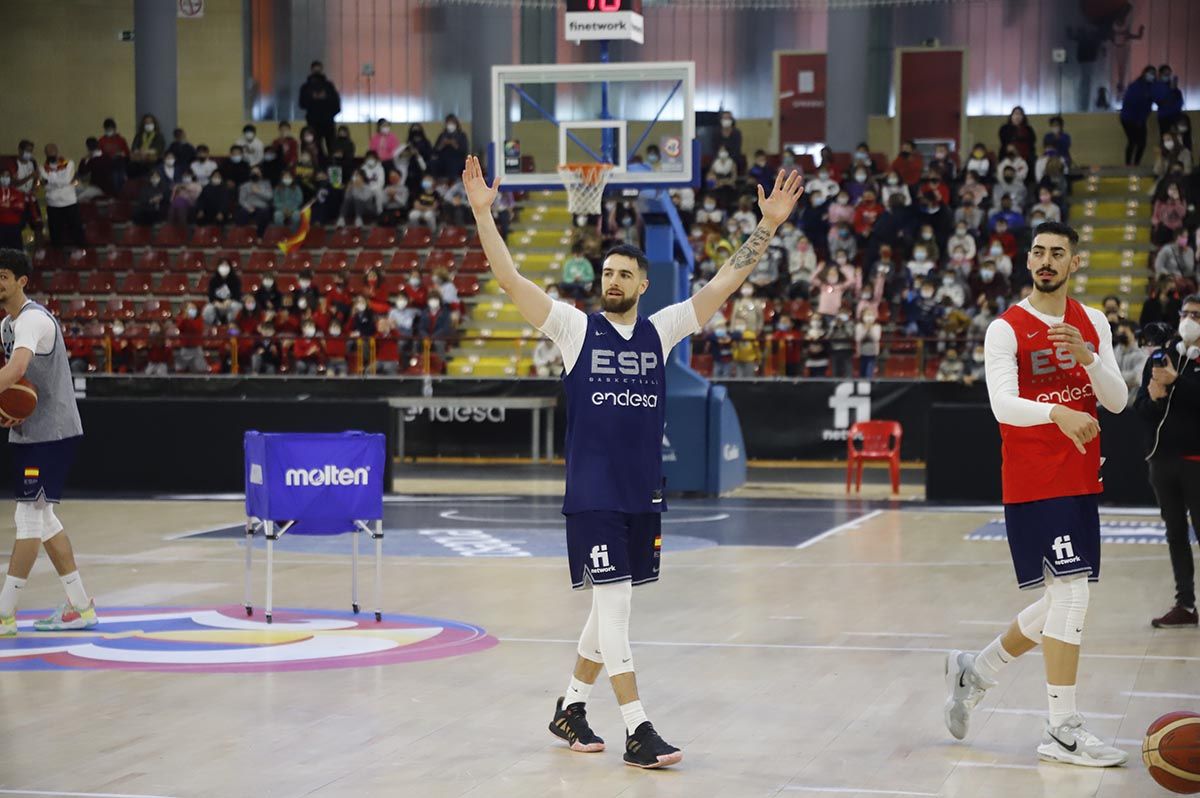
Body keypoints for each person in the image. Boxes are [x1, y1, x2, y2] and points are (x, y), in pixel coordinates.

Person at [462, 154, 803, 769]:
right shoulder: (573, 328)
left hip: (642, 493)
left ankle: (569, 707)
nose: (612, 280)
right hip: (592, 495)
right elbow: (511, 279)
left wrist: (769, 225)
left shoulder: (663, 329)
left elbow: (724, 282)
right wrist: (485, 214)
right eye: (607, 272)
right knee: (615, 608)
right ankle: (637, 729)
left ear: (643, 284)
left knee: (607, 610)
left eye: (624, 273)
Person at [943, 221, 1129, 767]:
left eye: (1058, 253)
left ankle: (975, 671)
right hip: (1033, 479)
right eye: (1039, 252)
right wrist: (1057, 410)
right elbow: (1003, 404)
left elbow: (1116, 401)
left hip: (1079, 477)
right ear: (1028, 261)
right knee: (1073, 597)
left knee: (1056, 603)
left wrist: (1090, 359)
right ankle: (1063, 730)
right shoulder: (1005, 328)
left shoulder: (1092, 321)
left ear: (1075, 263)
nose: (1047, 260)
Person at [0, 249, 96, 638]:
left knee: (28, 519)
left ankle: (4, 613)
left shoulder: (33, 321)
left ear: (23, 281)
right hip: (32, 432)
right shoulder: (7, 323)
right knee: (45, 520)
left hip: (52, 434)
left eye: (4, 275)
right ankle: (81, 605)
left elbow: (18, 369)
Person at [1133, 294, 1200, 628]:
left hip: (1196, 461)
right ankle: (1185, 605)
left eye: (1197, 315)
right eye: (1185, 313)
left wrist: (1177, 383)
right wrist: (1157, 398)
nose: (1189, 320)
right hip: (1161, 460)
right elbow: (1140, 407)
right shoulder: (1162, 355)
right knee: (1175, 533)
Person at [39, 144, 83, 249]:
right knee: (55, 233)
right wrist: (58, 182)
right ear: (45, 154)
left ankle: (81, 250)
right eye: (49, 152)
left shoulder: (69, 163)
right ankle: (57, 255)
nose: (51, 154)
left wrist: (50, 180)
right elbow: (46, 187)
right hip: (53, 204)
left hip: (69, 202)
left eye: (53, 151)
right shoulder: (42, 168)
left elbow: (67, 180)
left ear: (57, 151)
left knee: (76, 229)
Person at [298, 61, 341, 156]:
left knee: (332, 147)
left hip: (327, 121)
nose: (317, 70)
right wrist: (313, 99)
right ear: (311, 70)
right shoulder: (306, 87)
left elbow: (336, 103)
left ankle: (331, 167)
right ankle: (318, 169)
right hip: (313, 122)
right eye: (315, 68)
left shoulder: (329, 86)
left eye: (318, 68)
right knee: (315, 147)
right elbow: (302, 103)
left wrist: (329, 111)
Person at [1121, 65, 1158, 166]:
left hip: (1139, 119)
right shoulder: (1136, 86)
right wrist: (1139, 118)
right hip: (1129, 118)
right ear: (1144, 73)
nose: (1152, 75)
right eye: (1150, 73)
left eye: (1154, 74)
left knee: (1141, 143)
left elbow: (1150, 102)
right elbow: (1133, 103)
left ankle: (1136, 164)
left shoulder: (1151, 86)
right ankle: (1128, 165)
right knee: (1133, 142)